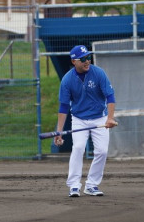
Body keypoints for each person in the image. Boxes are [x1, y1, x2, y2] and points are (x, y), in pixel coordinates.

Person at [54, 45, 117, 197]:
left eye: (88, 57)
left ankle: (92, 185)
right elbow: (63, 107)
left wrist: (110, 118)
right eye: (83, 59)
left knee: (101, 151)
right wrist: (59, 131)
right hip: (79, 119)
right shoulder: (67, 80)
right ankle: (74, 186)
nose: (87, 61)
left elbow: (110, 96)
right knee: (78, 148)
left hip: (99, 117)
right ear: (74, 61)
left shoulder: (98, 73)